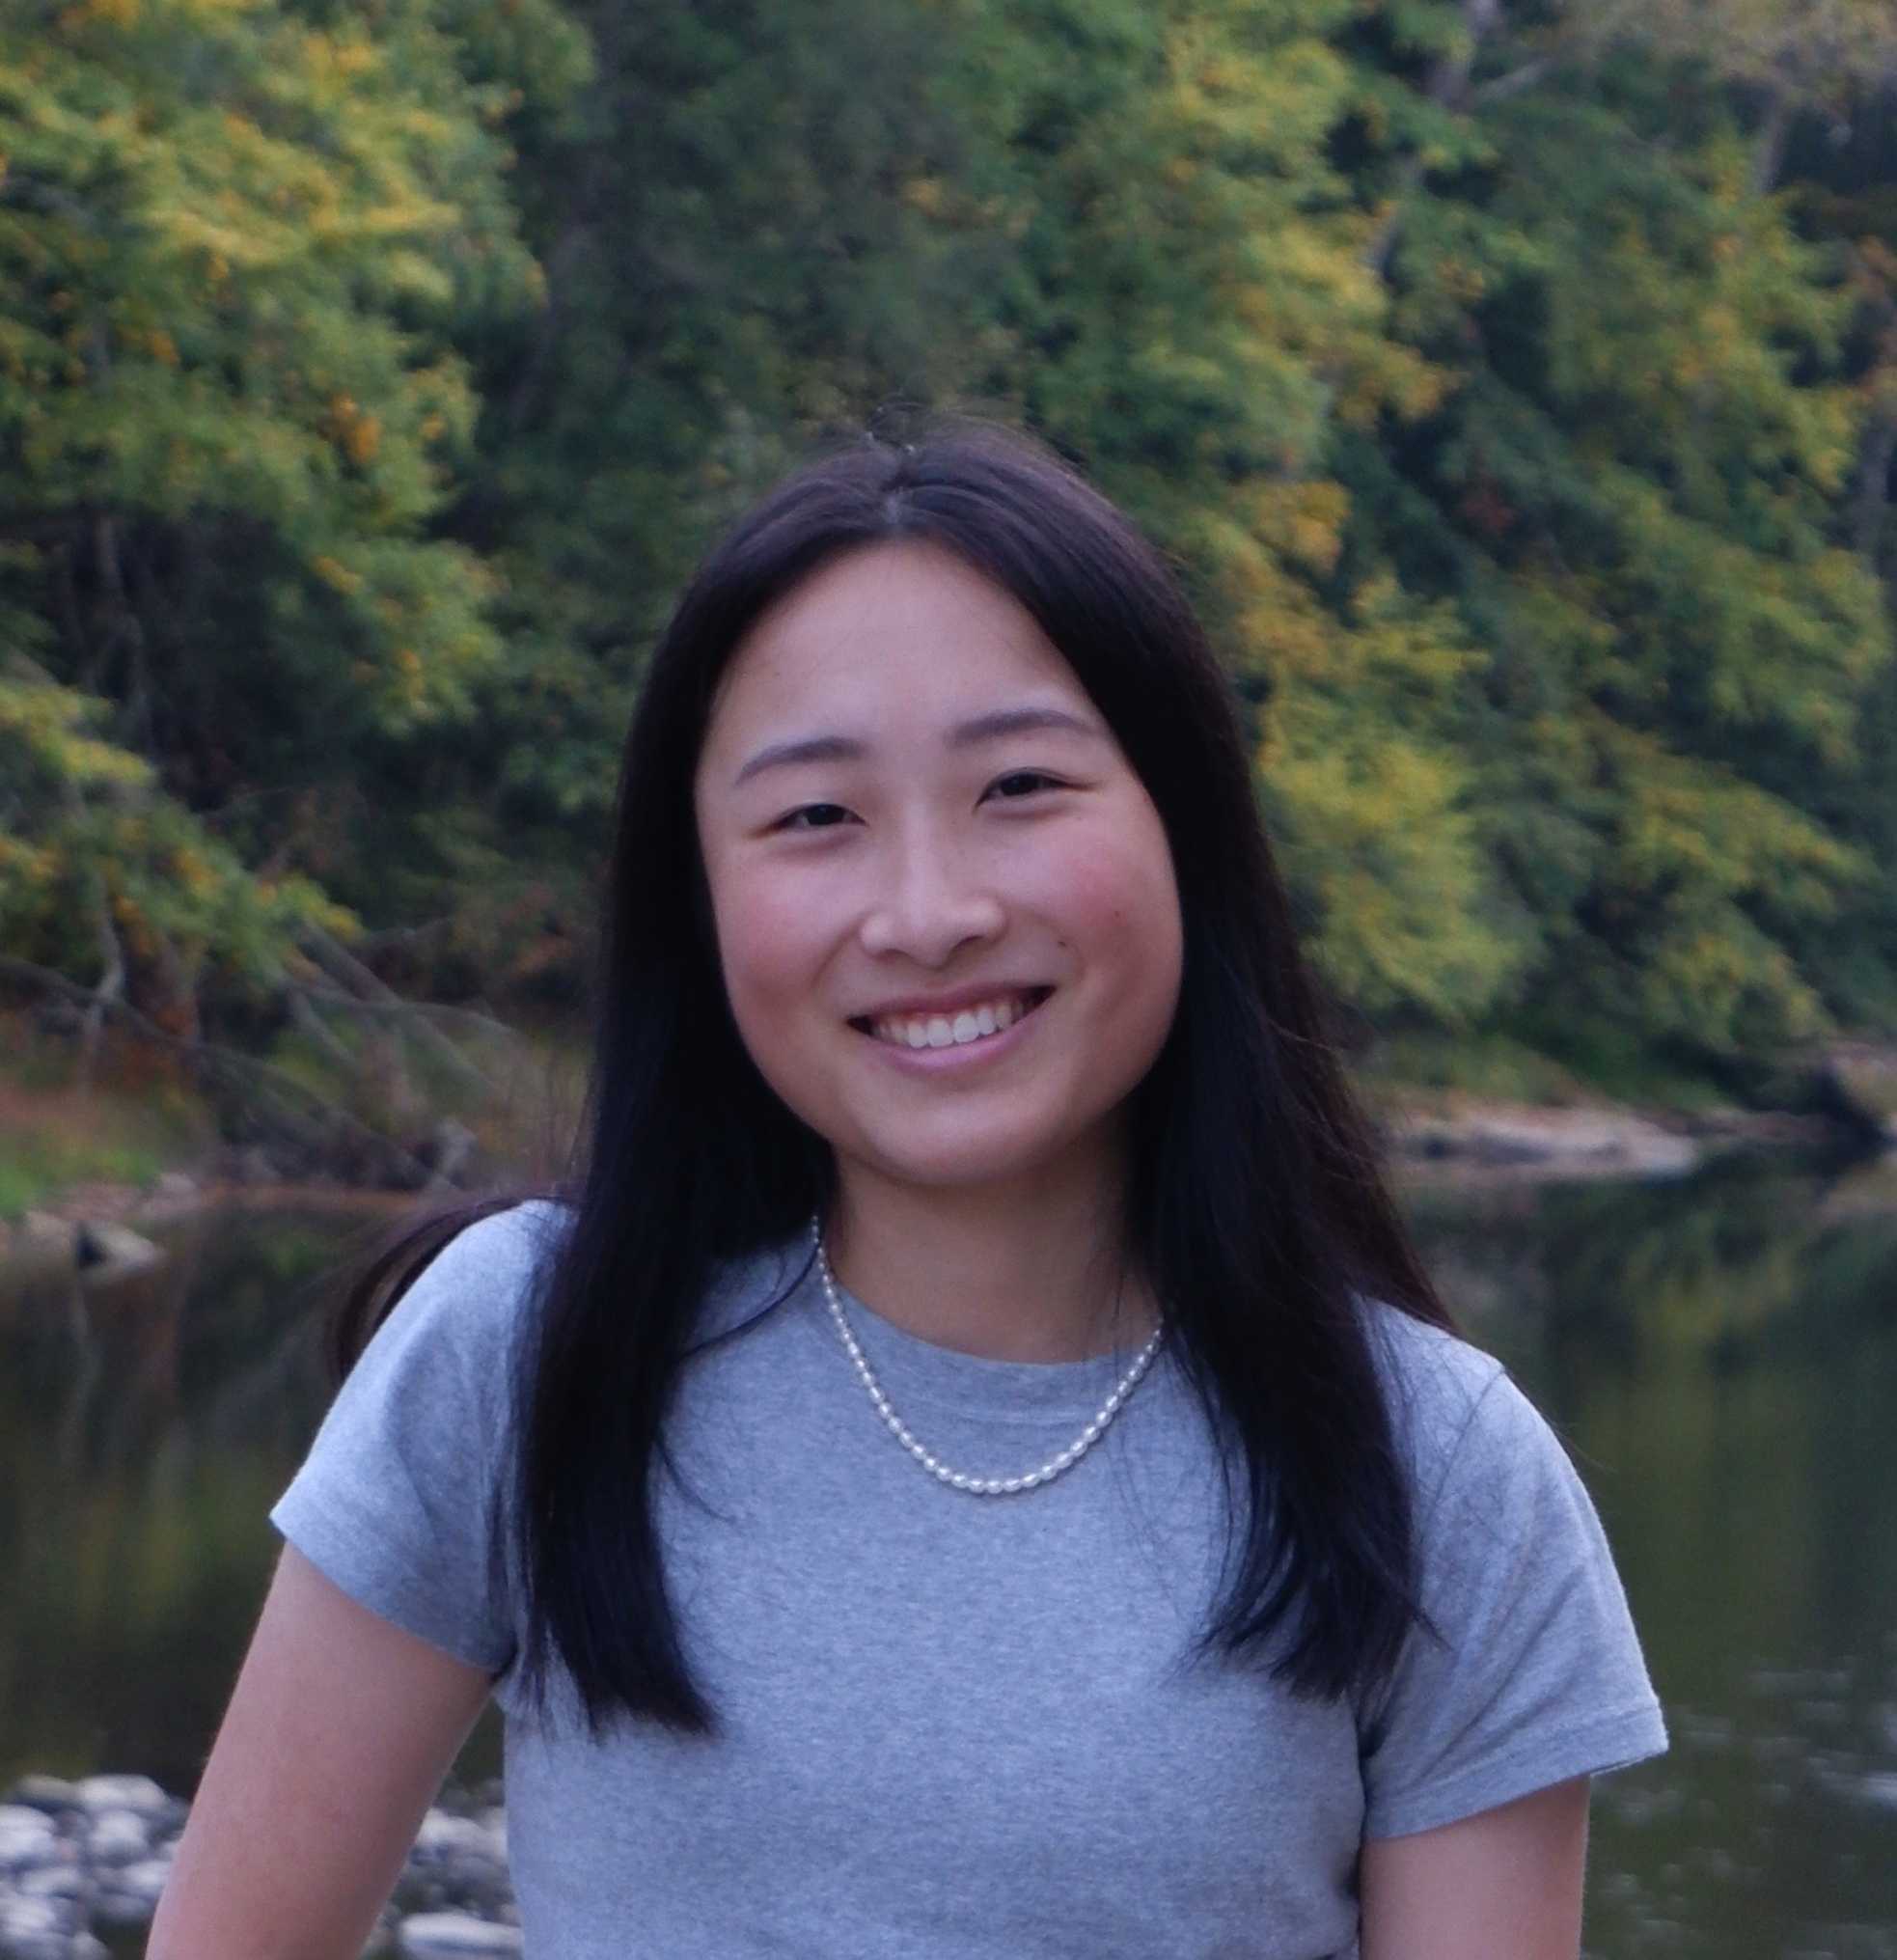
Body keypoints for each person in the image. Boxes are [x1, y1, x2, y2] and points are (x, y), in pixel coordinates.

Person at [151, 425, 1665, 1959]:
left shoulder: (1438, 1473)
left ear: (1187, 827)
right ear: (698, 895)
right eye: (817, 816)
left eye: (1019, 785)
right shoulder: (532, 1348)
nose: (928, 915)